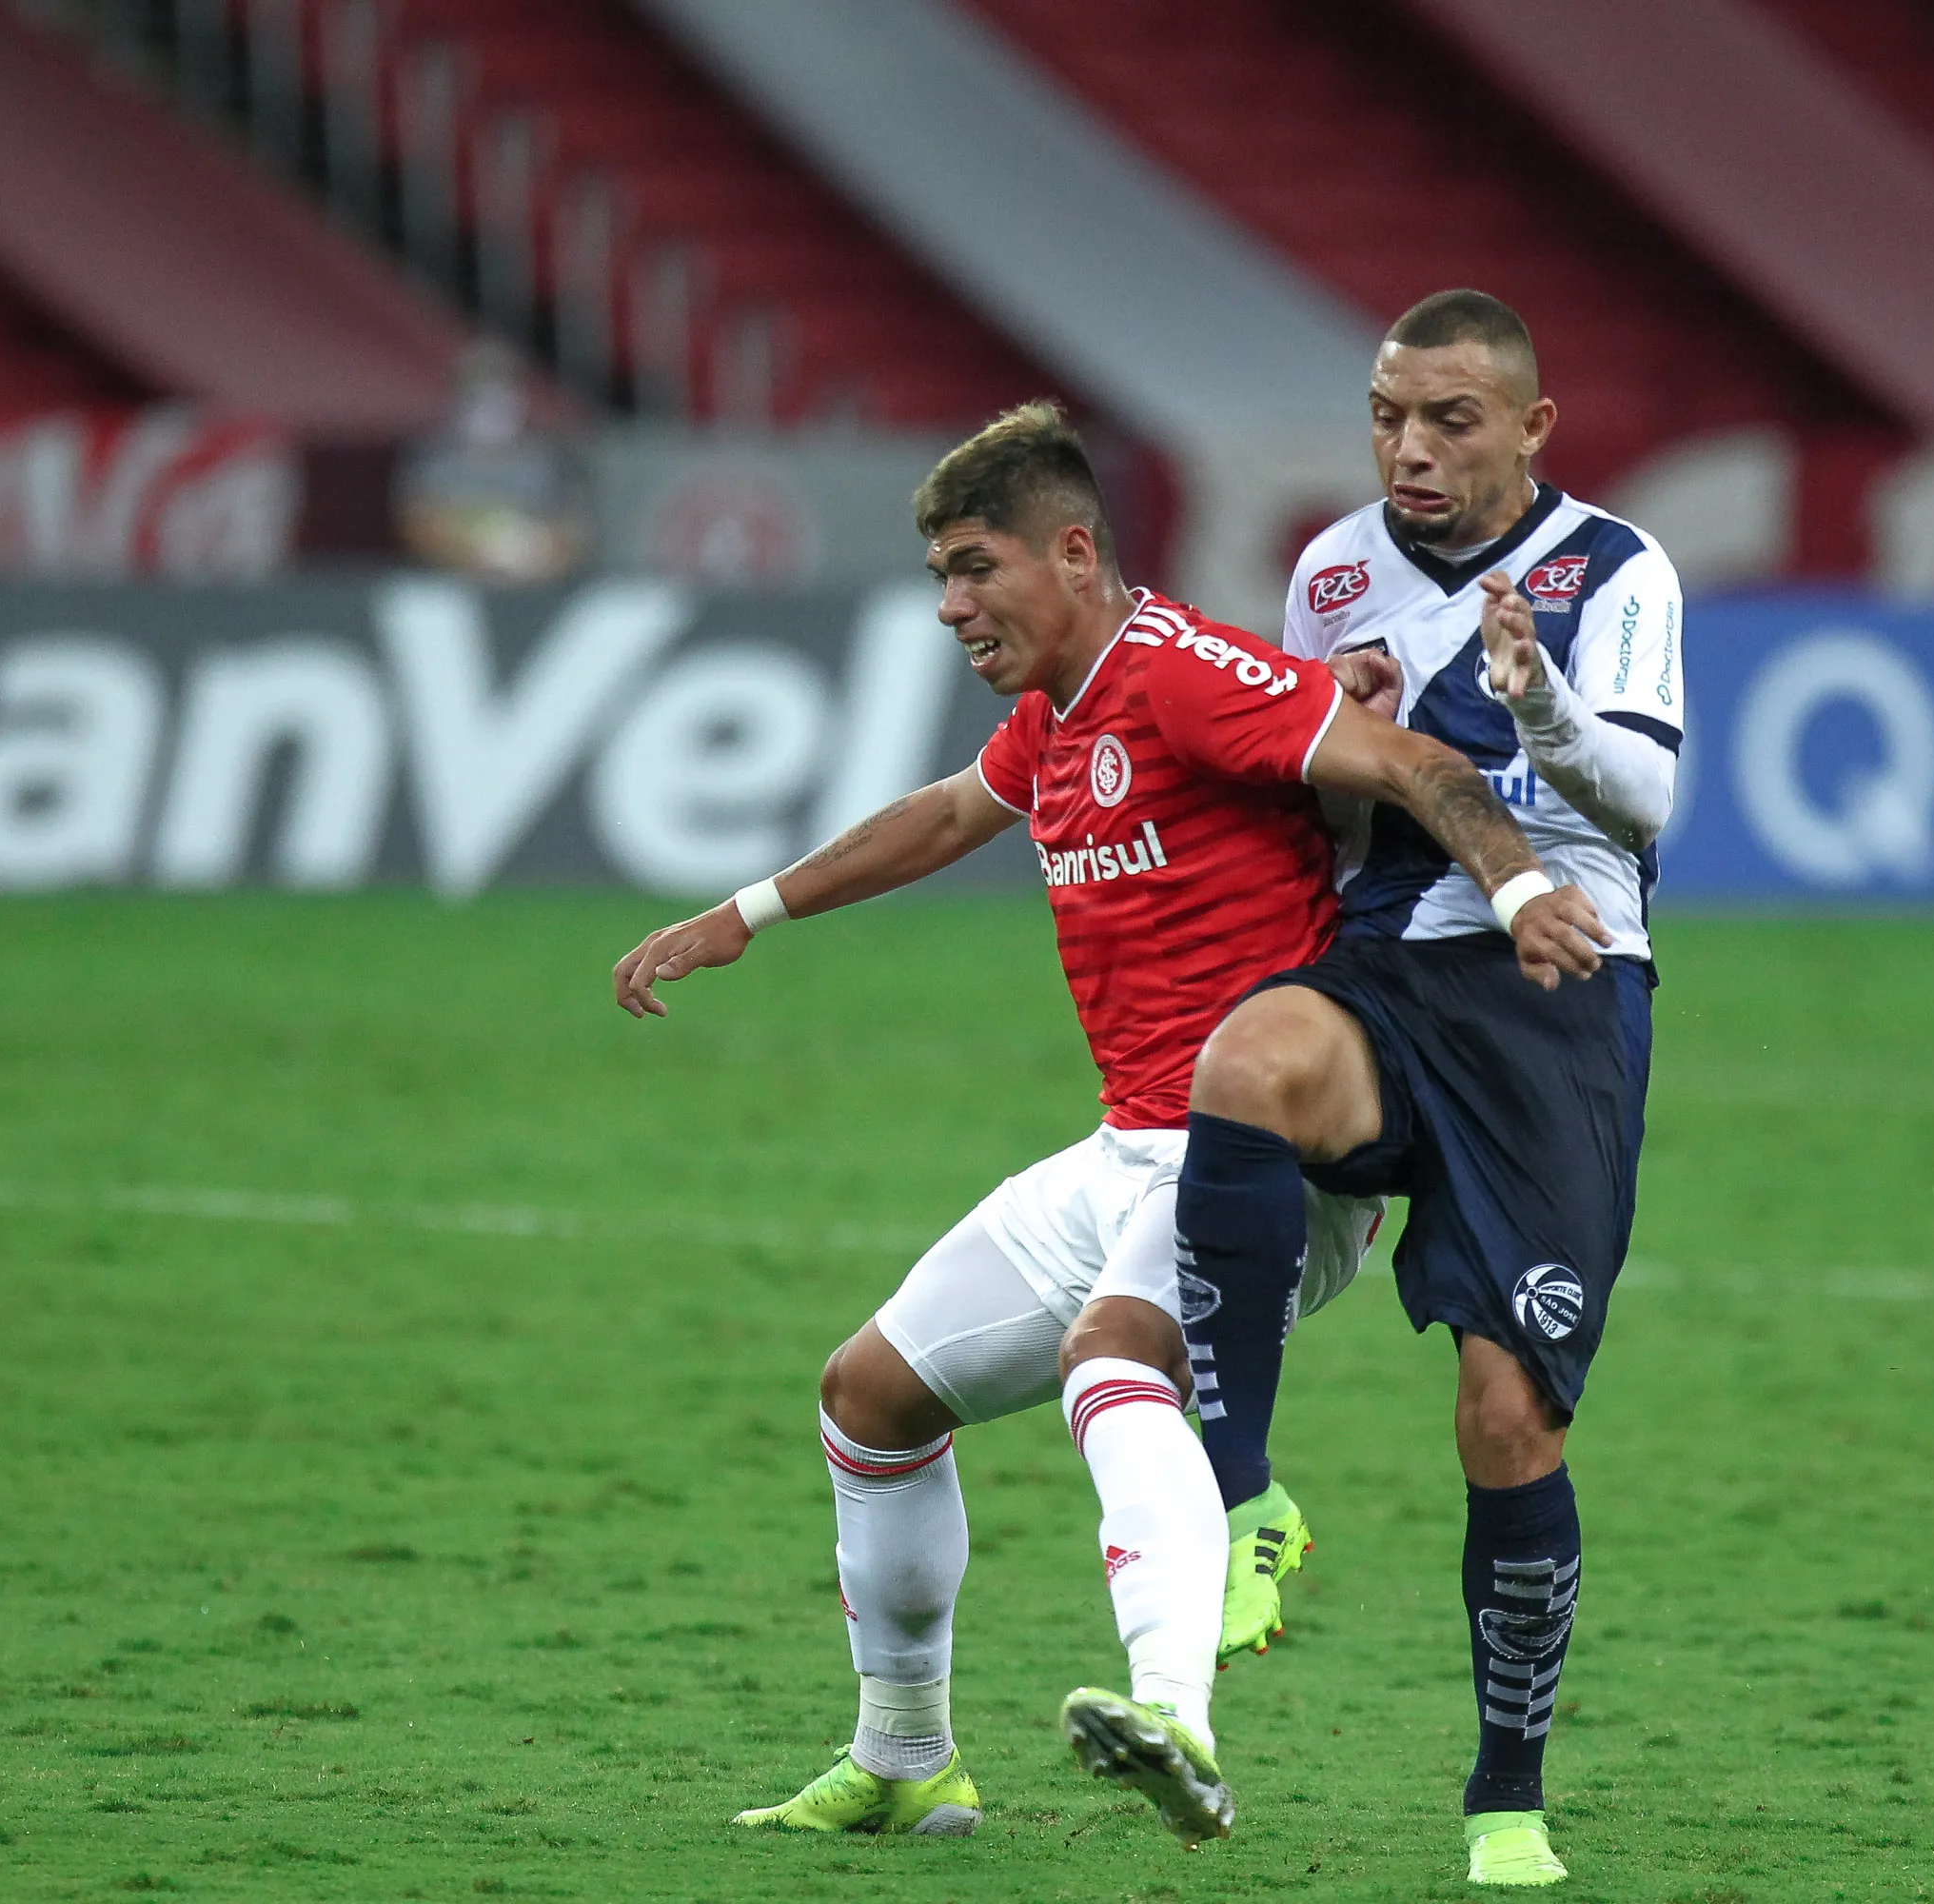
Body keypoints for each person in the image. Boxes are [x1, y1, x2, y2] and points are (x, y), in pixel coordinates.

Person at [612, 400, 1608, 1848]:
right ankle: (905, 1758)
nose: (953, 606)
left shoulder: (1187, 674)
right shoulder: (1056, 716)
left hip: (1265, 1166)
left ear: (1074, 554)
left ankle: (1178, 1723)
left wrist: (1521, 893)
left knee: (1110, 1356)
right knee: (869, 1399)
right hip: (1126, 1149)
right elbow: (951, 814)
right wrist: (745, 914)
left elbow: (1408, 768)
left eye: (976, 569)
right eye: (942, 579)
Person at [1174, 289, 1684, 1888]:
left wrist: (1538, 703)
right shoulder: (1332, 570)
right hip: (1386, 971)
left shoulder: (1615, 569)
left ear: (1531, 429)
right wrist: (1336, 752)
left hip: (1555, 1000)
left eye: (1449, 419)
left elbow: (1651, 802)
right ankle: (1241, 1499)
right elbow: (1316, 804)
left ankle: (1505, 1797)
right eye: (1389, 414)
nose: (1410, 447)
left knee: (1504, 1420)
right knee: (1245, 1065)